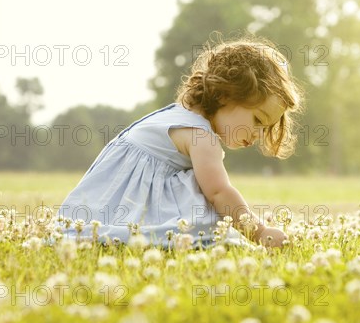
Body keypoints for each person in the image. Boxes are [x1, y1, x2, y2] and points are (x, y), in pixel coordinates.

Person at [57, 36, 303, 249]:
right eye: (257, 119)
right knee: (203, 211)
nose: (258, 134)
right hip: (132, 207)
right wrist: (258, 232)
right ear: (226, 94)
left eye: (265, 128)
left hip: (102, 207)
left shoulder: (177, 114)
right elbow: (219, 192)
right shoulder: (201, 136)